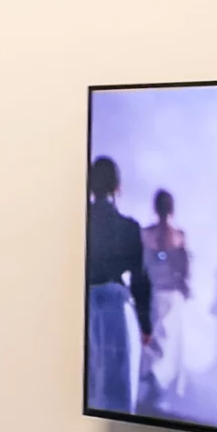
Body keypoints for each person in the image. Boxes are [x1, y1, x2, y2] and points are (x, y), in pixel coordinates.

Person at [83, 156, 152, 414]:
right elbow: (140, 279)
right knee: (117, 389)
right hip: (115, 308)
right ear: (117, 187)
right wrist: (145, 325)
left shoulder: (77, 223)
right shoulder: (128, 228)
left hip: (82, 306)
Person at [142, 189, 194, 408]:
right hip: (170, 297)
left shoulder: (146, 234)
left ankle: (153, 381)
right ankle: (158, 384)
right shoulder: (178, 236)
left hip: (154, 295)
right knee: (169, 344)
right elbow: (186, 271)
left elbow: (142, 266)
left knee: (157, 340)